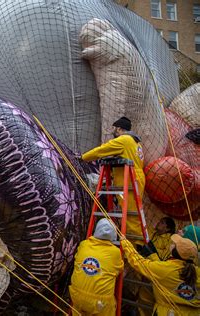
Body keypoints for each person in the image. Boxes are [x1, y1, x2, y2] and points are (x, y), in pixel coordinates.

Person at [81, 117, 145, 245]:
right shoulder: (136, 143)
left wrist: (83, 158)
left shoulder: (123, 140)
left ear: (120, 128)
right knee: (133, 214)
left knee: (130, 217)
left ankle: (135, 249)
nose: (113, 131)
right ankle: (136, 245)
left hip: (129, 179)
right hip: (137, 178)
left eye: (114, 128)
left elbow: (102, 150)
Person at [120, 234, 200, 315]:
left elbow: (138, 262)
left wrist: (126, 244)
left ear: (175, 251)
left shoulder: (166, 269)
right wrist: (153, 255)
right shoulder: (196, 271)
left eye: (174, 245)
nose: (171, 244)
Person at [69, 218, 124, 315]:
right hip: (100, 303)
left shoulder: (84, 244)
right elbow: (120, 269)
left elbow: (77, 259)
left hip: (76, 295)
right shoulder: (115, 252)